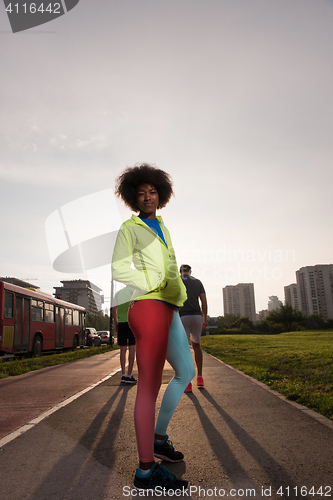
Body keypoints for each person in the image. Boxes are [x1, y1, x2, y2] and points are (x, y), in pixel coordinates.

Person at [111, 163, 195, 494]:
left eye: (153, 192)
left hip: (169, 307)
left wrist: (179, 293)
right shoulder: (129, 228)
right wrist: (150, 281)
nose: (148, 196)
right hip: (148, 306)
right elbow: (119, 267)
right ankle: (146, 471)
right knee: (147, 388)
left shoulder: (161, 225)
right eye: (141, 193)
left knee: (185, 371)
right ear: (133, 197)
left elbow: (170, 268)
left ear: (161, 195)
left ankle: (159, 438)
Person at [179, 264, 207, 392]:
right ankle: (200, 377)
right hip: (196, 317)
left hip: (183, 317)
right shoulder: (198, 282)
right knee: (197, 346)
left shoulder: (177, 281)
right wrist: (205, 318)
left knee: (184, 350)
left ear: (180, 272)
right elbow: (203, 301)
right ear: (190, 271)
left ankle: (188, 383)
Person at [112, 286, 137, 384]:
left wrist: (116, 323)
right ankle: (129, 375)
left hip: (121, 323)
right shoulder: (133, 292)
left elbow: (114, 310)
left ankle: (123, 374)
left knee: (122, 350)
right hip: (131, 322)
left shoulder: (117, 294)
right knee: (132, 349)